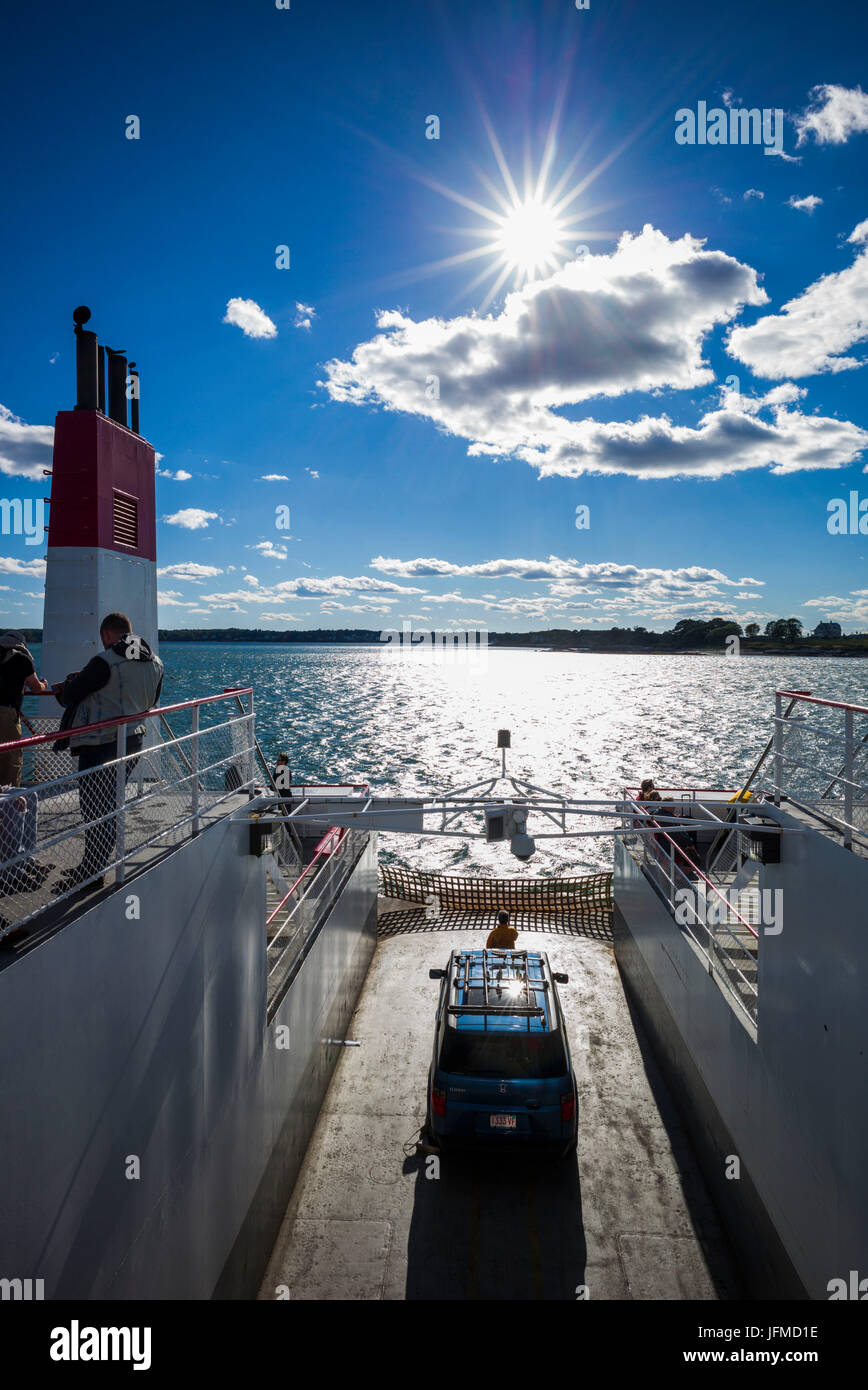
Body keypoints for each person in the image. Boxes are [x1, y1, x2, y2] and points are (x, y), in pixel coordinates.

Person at [52, 614, 164, 892]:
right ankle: (93, 867)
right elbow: (153, 700)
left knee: (94, 808)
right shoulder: (155, 662)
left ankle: (92, 872)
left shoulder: (105, 661)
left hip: (100, 743)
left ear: (105, 634)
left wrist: (67, 686)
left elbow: (69, 696)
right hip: (133, 739)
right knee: (109, 806)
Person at [0, 631, 49, 787]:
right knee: (13, 755)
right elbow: (35, 687)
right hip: (6, 712)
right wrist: (44, 685)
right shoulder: (21, 658)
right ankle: (11, 801)